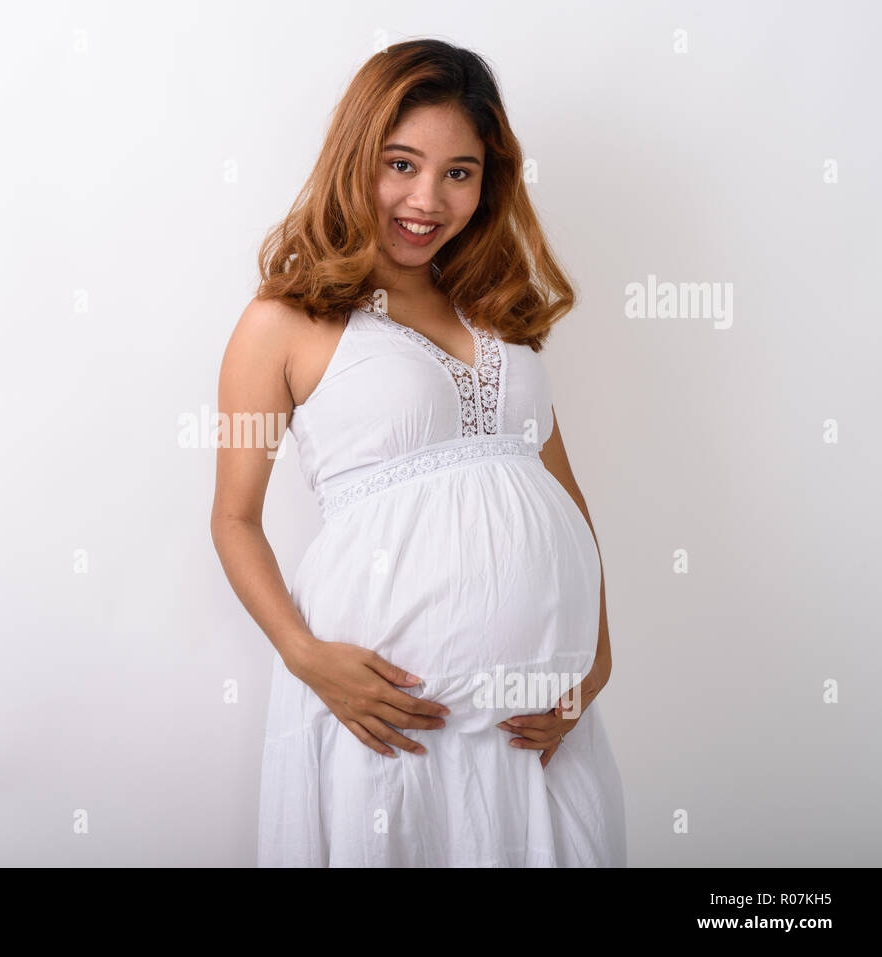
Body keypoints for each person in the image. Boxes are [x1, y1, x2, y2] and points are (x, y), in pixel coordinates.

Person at [210, 38, 627, 867]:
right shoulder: (281, 322)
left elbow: (563, 499)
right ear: (355, 155)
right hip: (387, 721)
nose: (426, 199)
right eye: (400, 164)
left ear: (489, 179)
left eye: (459, 173)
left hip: (535, 728)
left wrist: (595, 665)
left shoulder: (499, 314)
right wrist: (306, 658)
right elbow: (233, 518)